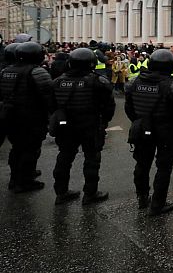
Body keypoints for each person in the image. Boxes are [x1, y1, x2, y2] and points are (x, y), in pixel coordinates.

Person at [125, 48, 173, 216]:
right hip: (166, 132)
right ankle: (157, 204)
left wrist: (140, 122)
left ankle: (142, 198)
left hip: (142, 129)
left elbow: (129, 109)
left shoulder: (133, 82)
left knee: (142, 164)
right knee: (164, 168)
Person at [50, 48, 116, 205]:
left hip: (66, 127)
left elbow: (51, 106)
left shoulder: (58, 82)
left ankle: (61, 192)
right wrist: (104, 122)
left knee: (64, 157)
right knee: (92, 160)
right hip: (90, 126)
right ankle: (90, 193)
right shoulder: (98, 81)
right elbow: (109, 106)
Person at [0, 41, 53, 192]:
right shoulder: (37, 72)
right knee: (30, 149)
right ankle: (24, 181)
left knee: (16, 148)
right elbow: (48, 95)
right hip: (31, 117)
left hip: (10, 117)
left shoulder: (6, 71)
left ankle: (14, 179)